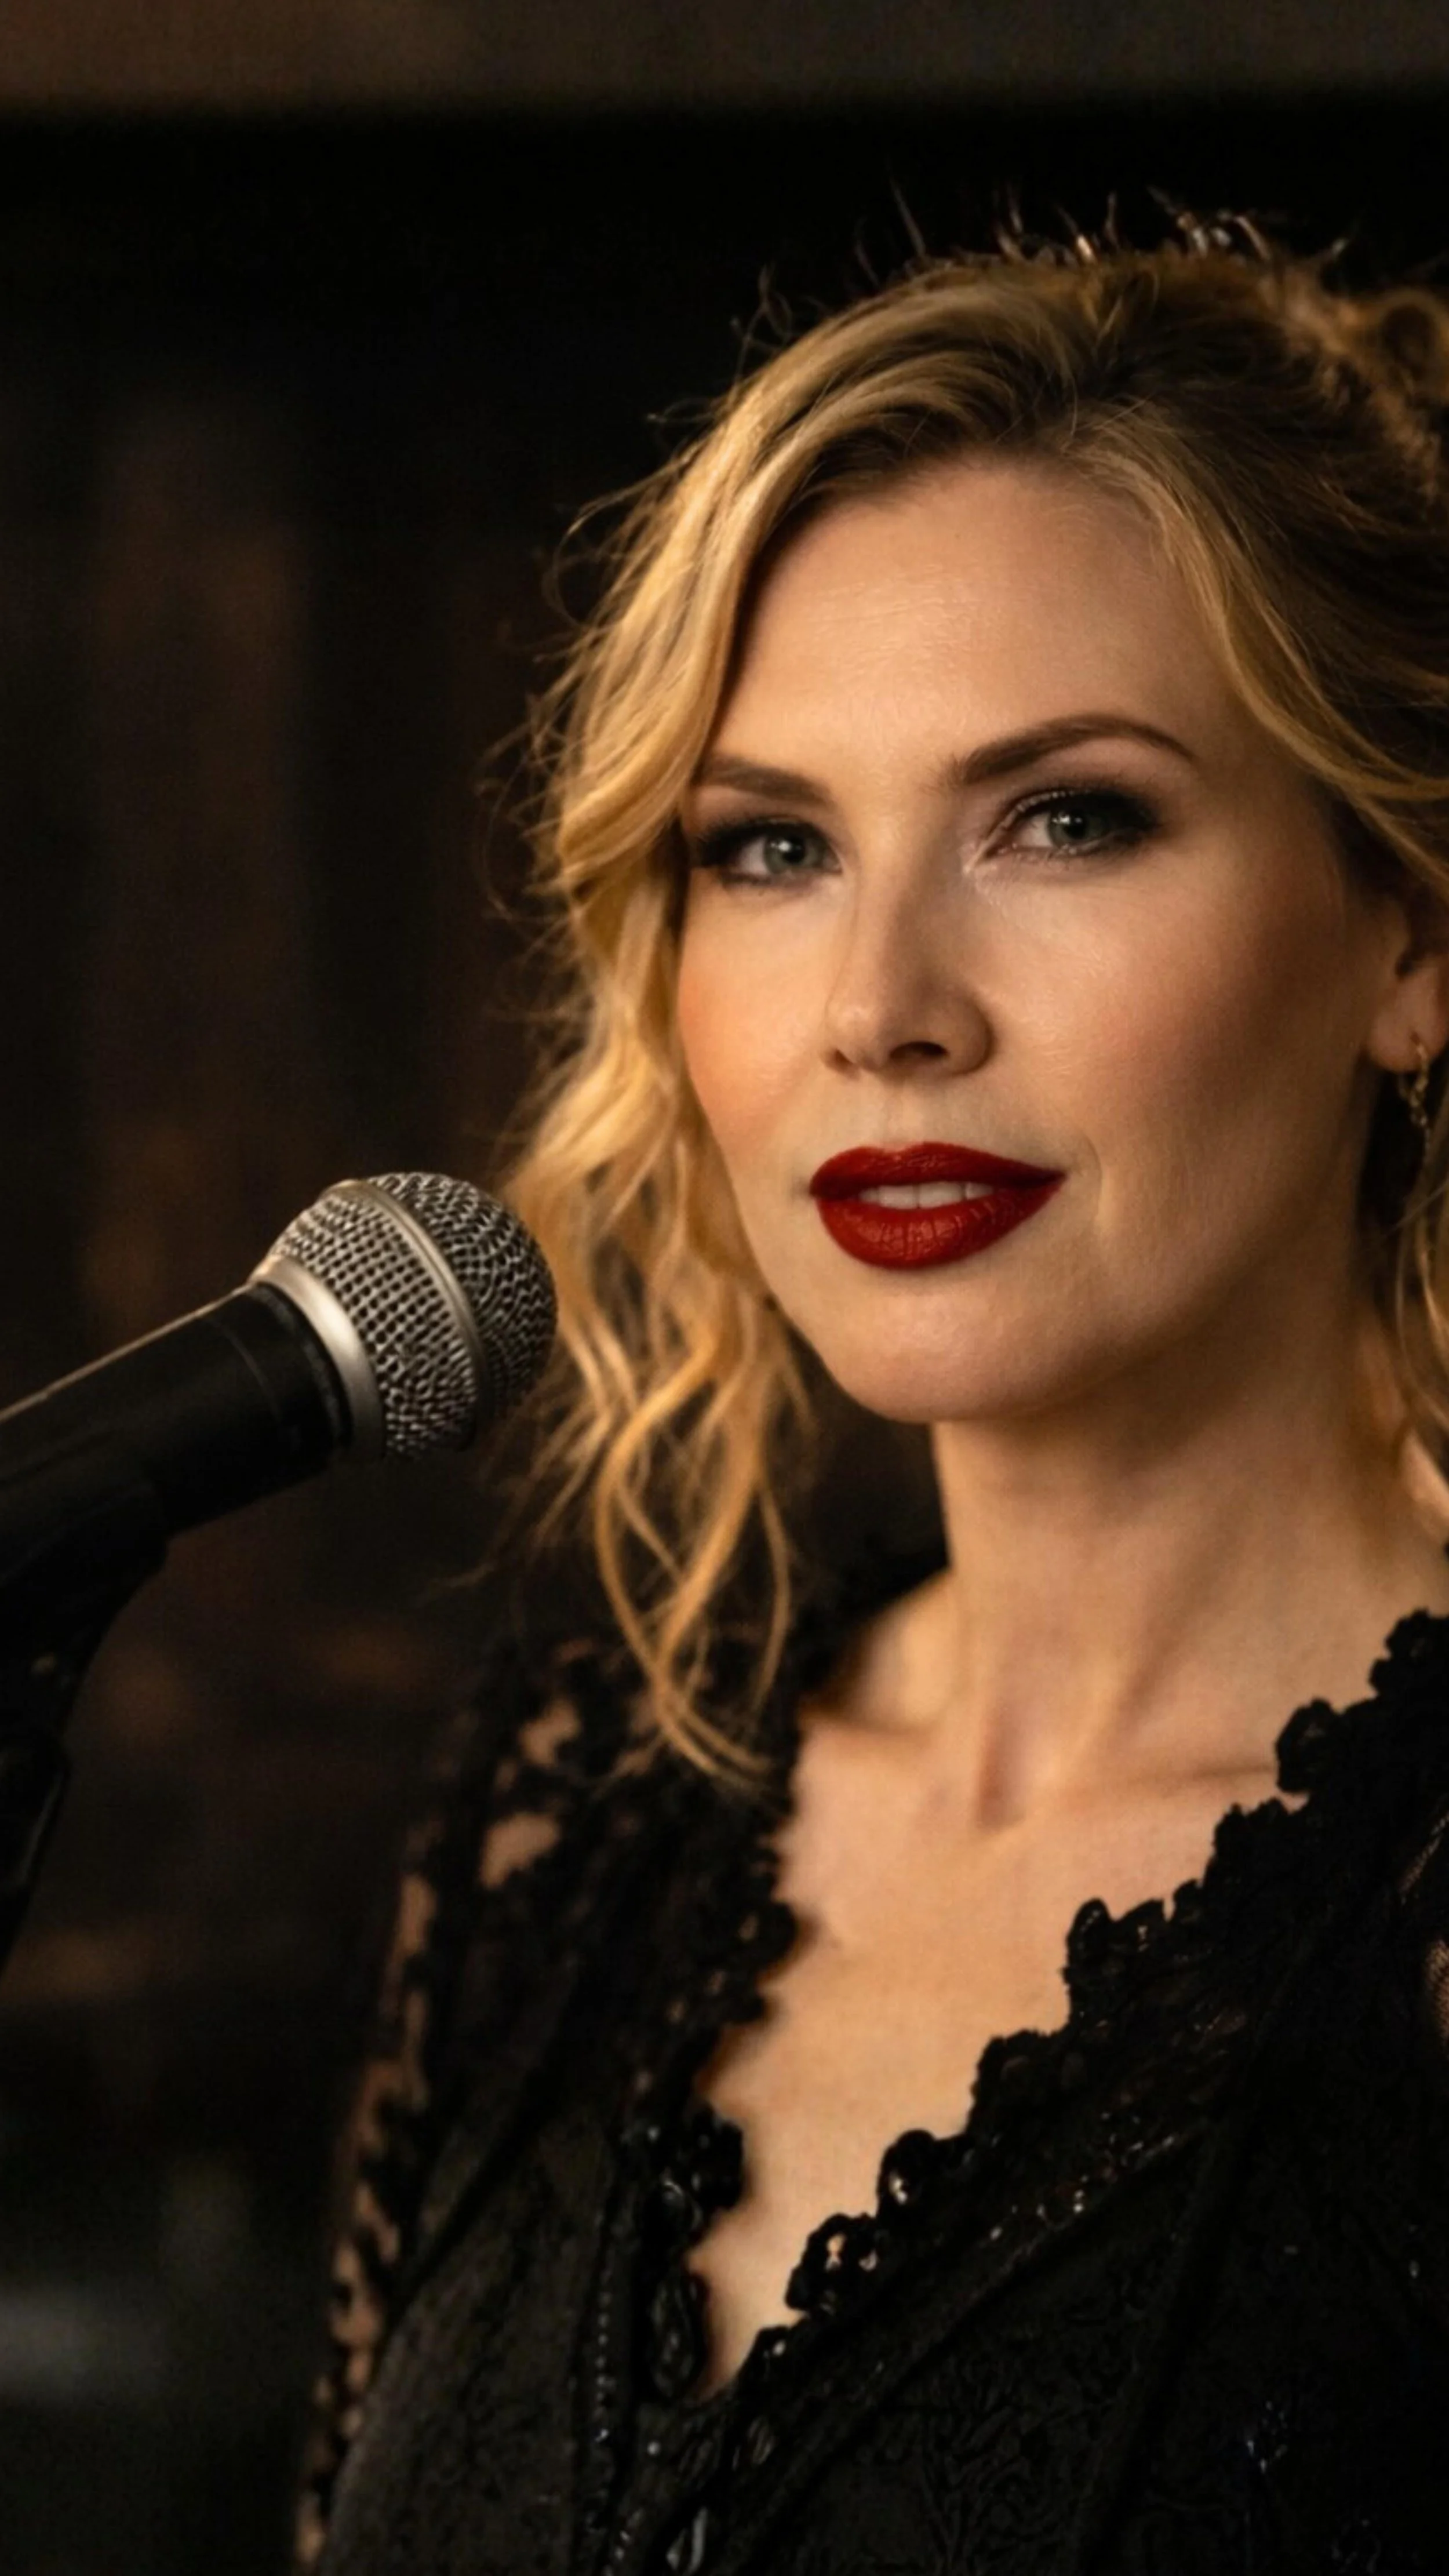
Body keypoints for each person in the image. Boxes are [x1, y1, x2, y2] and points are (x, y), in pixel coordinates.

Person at [295, 217, 1449, 2575]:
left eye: (1067, 817)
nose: (879, 1005)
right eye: (773, 847)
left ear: (1407, 929)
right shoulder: (572, 1809)